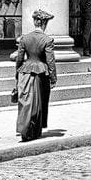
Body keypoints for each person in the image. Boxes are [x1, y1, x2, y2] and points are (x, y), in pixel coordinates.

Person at [13, 8, 57, 142]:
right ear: (44, 23)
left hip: (25, 71)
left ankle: (27, 128)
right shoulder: (47, 40)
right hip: (40, 72)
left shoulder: (25, 38)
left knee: (26, 100)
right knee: (39, 101)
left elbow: (19, 58)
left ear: (34, 22)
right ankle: (34, 129)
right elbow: (50, 61)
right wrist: (53, 78)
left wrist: (18, 73)